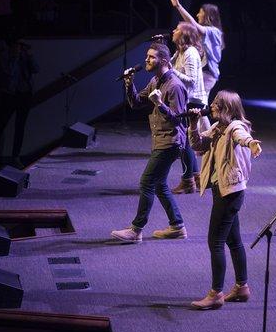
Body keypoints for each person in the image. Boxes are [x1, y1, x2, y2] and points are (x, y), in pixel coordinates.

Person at [187, 90, 262, 310]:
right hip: (224, 190)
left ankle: (216, 293)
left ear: (227, 108)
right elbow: (198, 146)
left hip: (229, 193)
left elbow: (243, 137)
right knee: (233, 240)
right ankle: (242, 287)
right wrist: (193, 124)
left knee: (215, 241)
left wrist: (252, 144)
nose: (211, 106)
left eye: (216, 104)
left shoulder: (234, 127)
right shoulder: (217, 127)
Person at [110, 43, 188, 243]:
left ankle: (136, 230)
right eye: (147, 56)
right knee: (160, 184)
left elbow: (179, 119)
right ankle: (177, 226)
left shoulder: (175, 86)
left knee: (146, 182)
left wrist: (160, 104)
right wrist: (129, 83)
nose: (146, 60)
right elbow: (136, 103)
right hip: (161, 139)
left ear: (163, 61)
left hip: (171, 142)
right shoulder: (155, 80)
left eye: (151, 57)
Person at [169, 21, 209, 194]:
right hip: (188, 99)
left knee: (183, 142)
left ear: (184, 34)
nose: (173, 30)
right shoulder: (181, 51)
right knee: (184, 141)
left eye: (177, 29)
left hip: (193, 101)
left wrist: (171, 70)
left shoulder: (190, 53)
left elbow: (191, 80)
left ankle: (188, 180)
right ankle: (195, 178)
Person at [0, 35, 39, 169]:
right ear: (12, 45)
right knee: (0, 125)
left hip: (25, 94)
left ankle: (15, 157)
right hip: (10, 95)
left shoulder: (25, 56)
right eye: (18, 44)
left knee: (20, 127)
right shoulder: (5, 55)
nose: (20, 47)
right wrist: (15, 57)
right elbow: (9, 73)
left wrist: (29, 56)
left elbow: (36, 69)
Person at [170, 0, 224, 99]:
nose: (197, 14)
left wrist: (179, 6)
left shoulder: (214, 32)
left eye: (200, 12)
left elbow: (194, 25)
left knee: (196, 103)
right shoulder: (206, 33)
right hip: (204, 73)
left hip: (208, 75)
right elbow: (194, 27)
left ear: (208, 16)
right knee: (197, 106)